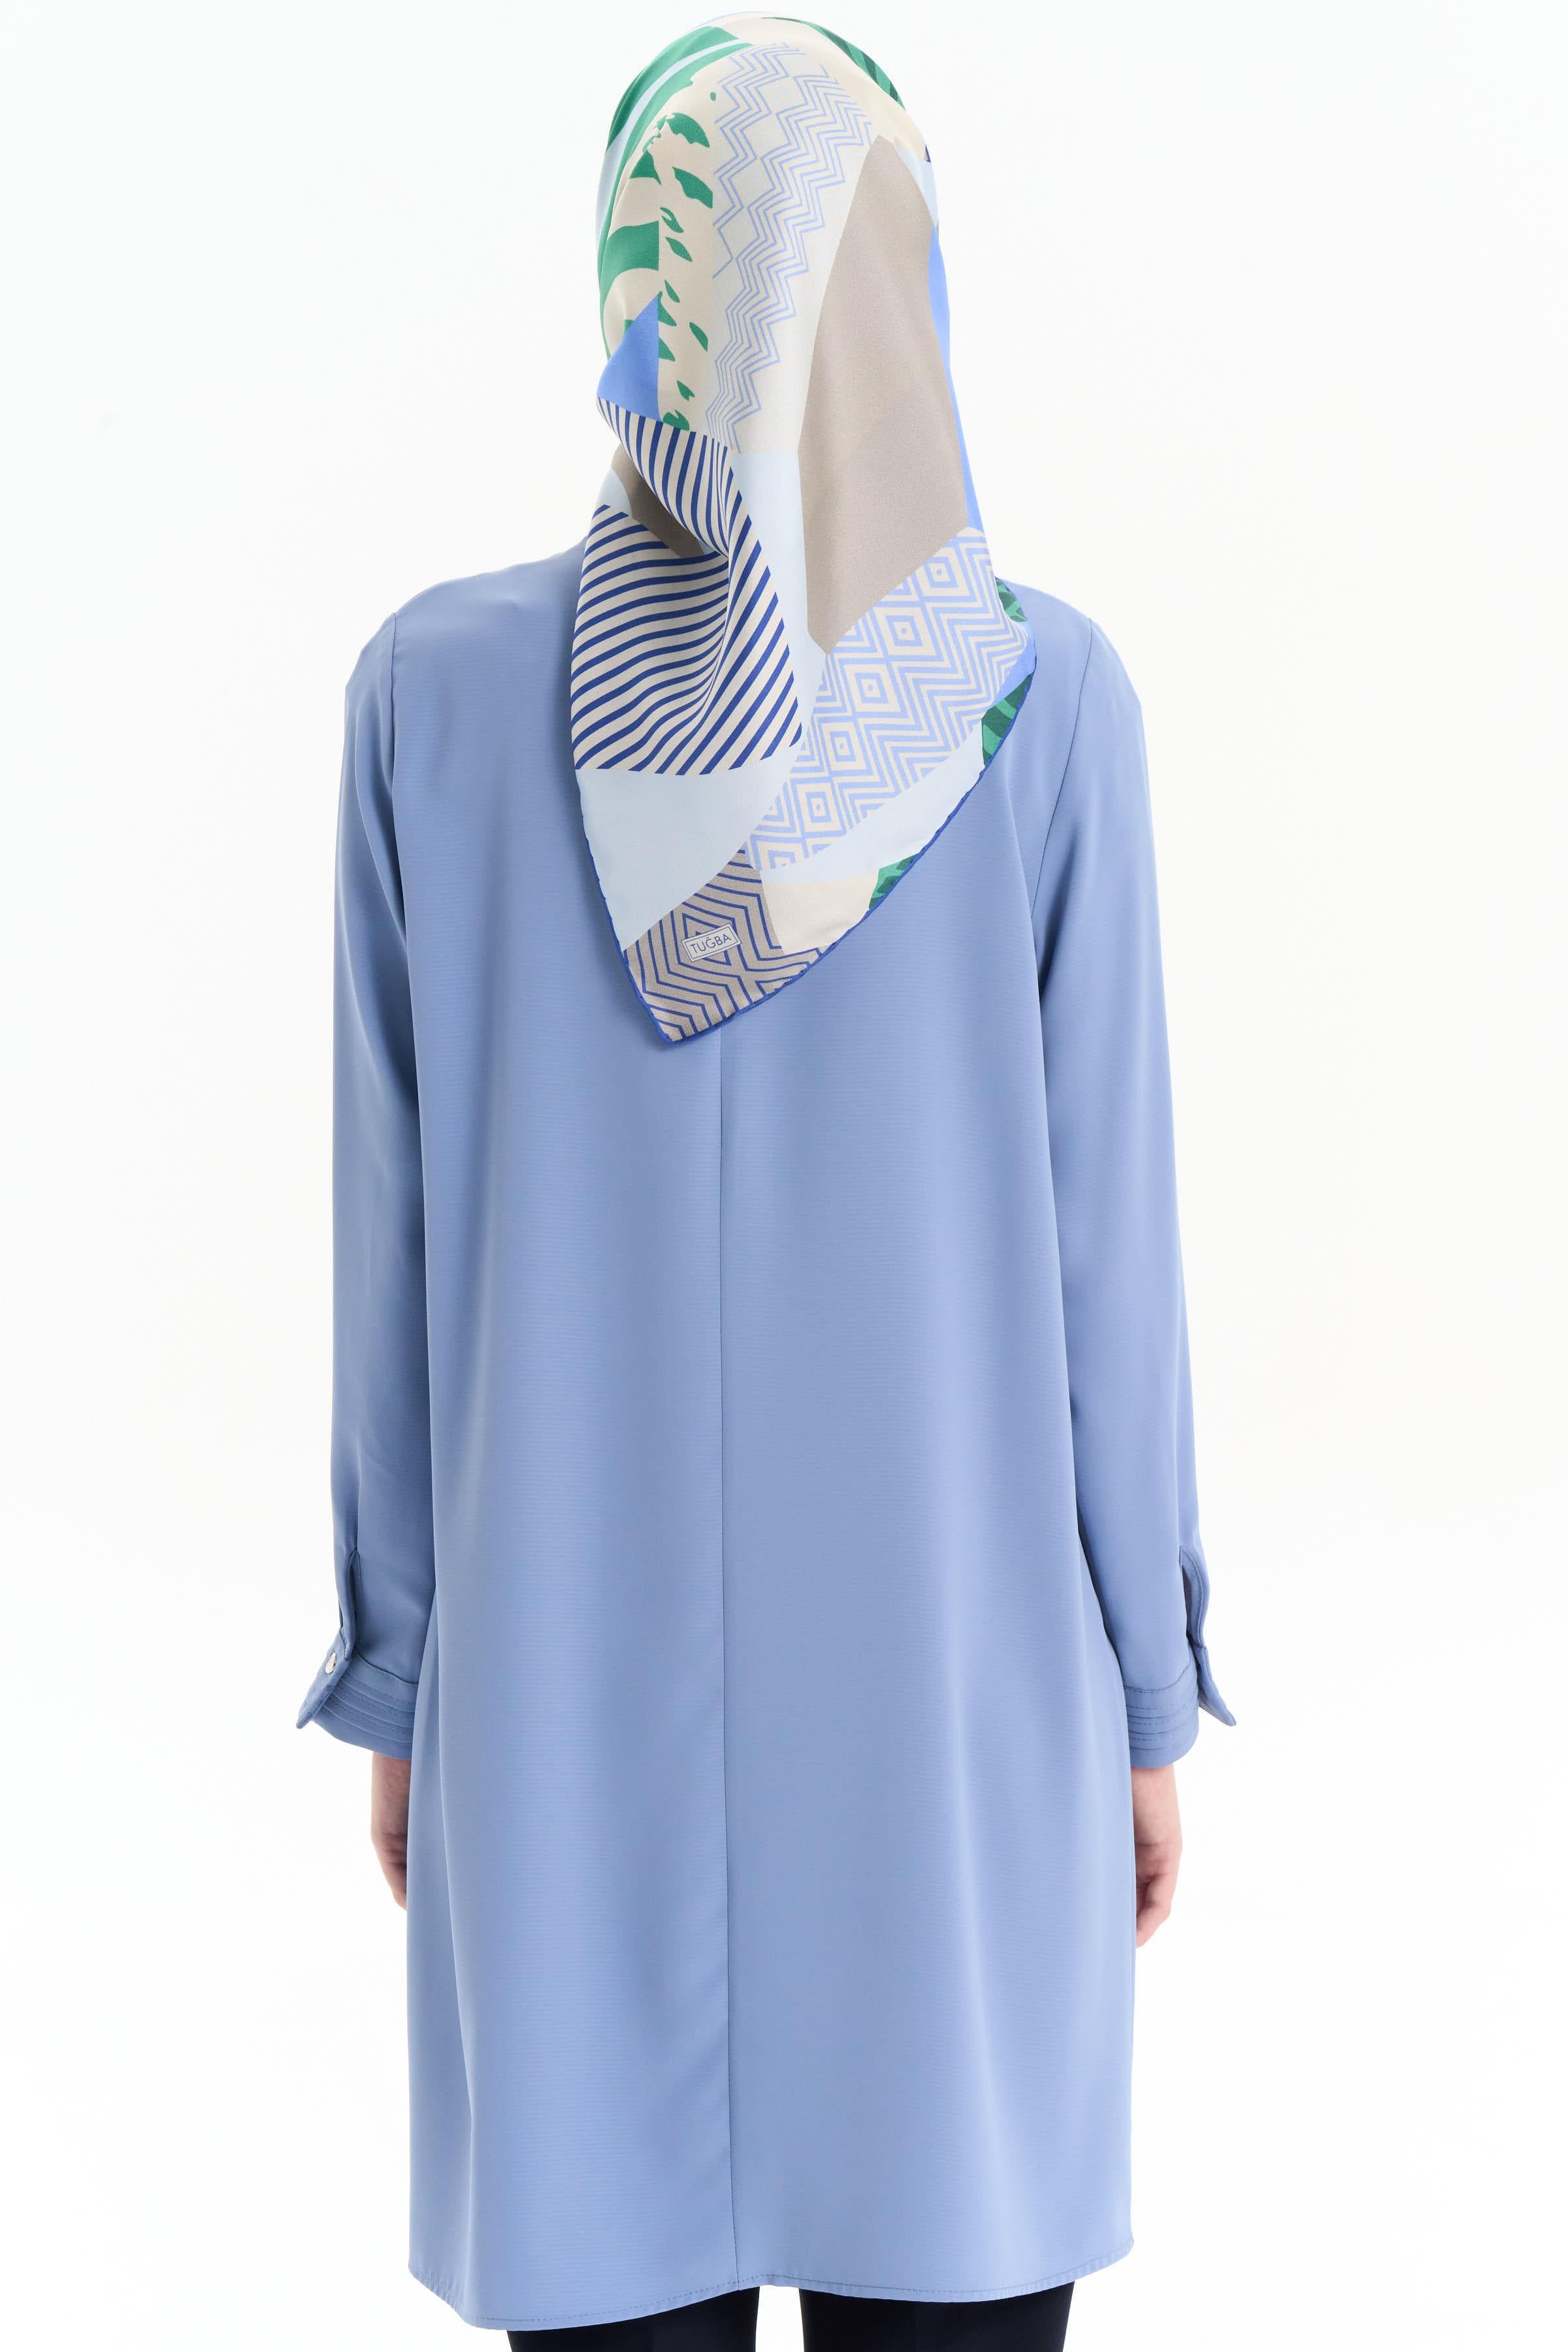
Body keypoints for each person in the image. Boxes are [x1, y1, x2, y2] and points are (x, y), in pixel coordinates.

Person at [299, 19, 1232, 2349]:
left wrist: (404, 1668)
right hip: (953, 1723)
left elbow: (393, 1258)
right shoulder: (1033, 708)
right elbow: (1112, 1258)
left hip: (559, 1722)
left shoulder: (433, 697)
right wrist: (1145, 1693)